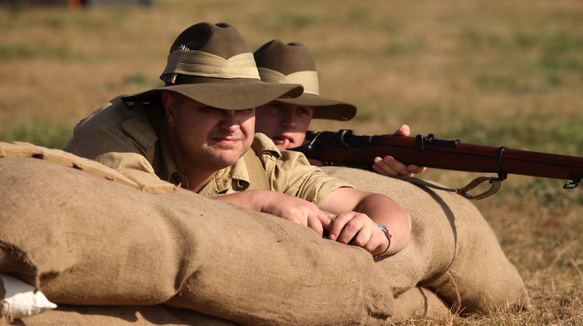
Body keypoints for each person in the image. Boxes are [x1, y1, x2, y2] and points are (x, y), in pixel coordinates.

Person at [65, 21, 411, 257]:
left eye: (245, 107)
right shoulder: (114, 136)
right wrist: (255, 203)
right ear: (171, 106)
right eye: (211, 107)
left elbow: (374, 202)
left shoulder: (261, 155)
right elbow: (133, 224)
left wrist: (377, 229)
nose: (232, 124)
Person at [253, 39, 428, 178]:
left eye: (302, 111)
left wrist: (389, 165)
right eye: (276, 106)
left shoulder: (327, 154)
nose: (290, 122)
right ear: (246, 108)